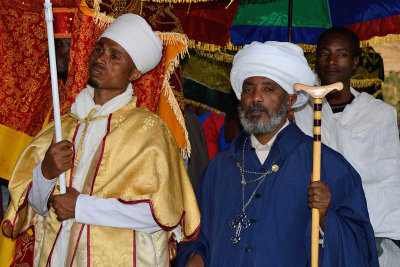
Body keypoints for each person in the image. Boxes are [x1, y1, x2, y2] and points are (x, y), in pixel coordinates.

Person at [2, 14, 200, 266]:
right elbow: (38, 210)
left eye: (115, 56)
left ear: (135, 72)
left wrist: (82, 207)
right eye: (99, 49)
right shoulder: (64, 126)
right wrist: (45, 173)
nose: (100, 58)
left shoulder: (149, 131)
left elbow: (159, 215)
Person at [176, 41, 378, 266]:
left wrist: (325, 218)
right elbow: (194, 235)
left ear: (290, 100)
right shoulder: (219, 168)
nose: (256, 98)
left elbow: (361, 250)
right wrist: (196, 257)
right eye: (248, 89)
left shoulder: (325, 165)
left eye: (269, 89)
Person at [294, 27, 400, 266]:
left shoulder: (380, 114)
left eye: (341, 54)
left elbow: (385, 180)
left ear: (354, 63)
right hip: (311, 236)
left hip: (372, 235)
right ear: (315, 60)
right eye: (324, 53)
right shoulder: (299, 113)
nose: (331, 61)